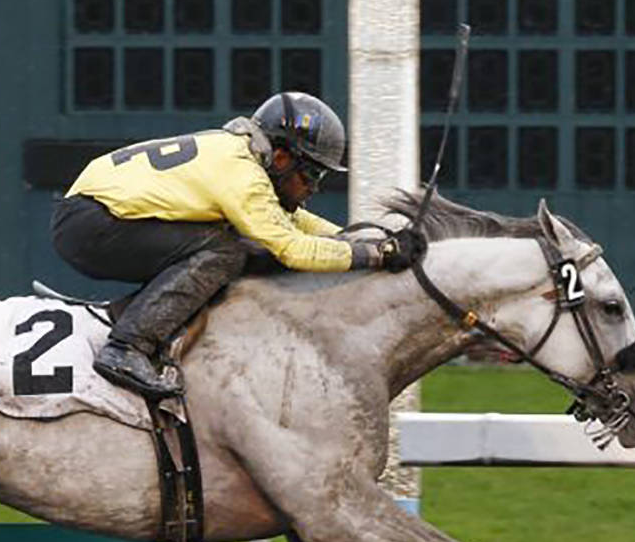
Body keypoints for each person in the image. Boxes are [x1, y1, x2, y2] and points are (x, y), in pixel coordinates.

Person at [50, 91, 425, 399]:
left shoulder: (241, 155)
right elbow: (293, 248)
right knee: (227, 250)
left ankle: (133, 315)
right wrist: (377, 254)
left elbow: (291, 222)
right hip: (91, 224)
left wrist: (363, 240)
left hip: (95, 217)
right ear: (281, 157)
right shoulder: (243, 175)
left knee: (233, 245)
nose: (314, 187)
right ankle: (126, 348)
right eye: (311, 174)